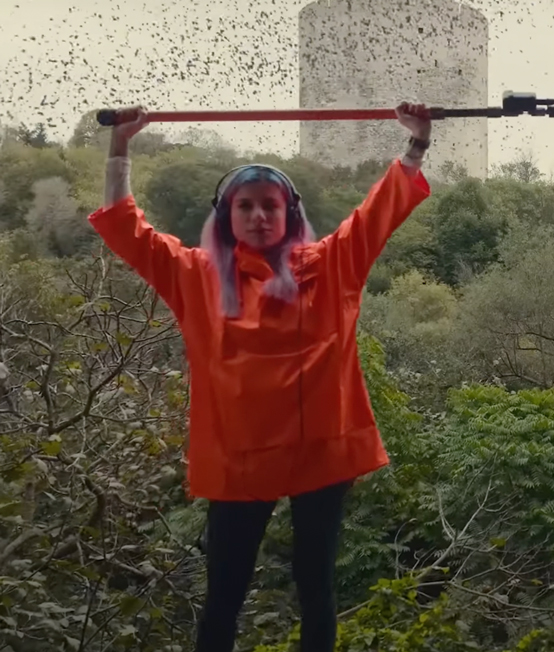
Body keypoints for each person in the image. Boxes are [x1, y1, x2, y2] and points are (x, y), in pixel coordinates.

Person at [88, 102, 434, 652]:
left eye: (269, 205)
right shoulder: (197, 275)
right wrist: (121, 146)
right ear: (226, 215)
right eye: (244, 206)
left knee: (315, 585)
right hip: (239, 458)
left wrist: (416, 144)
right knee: (224, 592)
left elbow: (379, 211)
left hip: (320, 451)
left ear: (288, 213)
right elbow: (125, 227)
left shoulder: (332, 265)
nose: (258, 216)